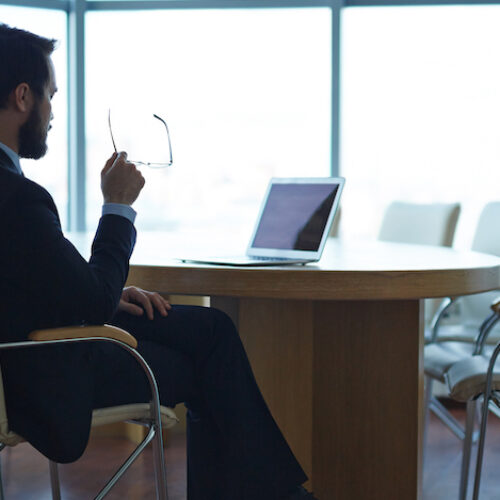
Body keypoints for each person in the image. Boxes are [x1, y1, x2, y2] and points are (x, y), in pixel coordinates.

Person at [0, 24, 319, 500]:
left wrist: (103, 291)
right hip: (44, 373)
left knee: (211, 331)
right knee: (209, 362)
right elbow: (88, 301)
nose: (52, 114)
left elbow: (32, 283)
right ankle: (280, 495)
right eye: (50, 97)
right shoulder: (18, 198)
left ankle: (278, 493)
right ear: (23, 96)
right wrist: (118, 208)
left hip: (37, 343)